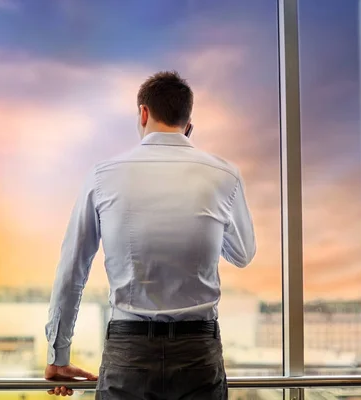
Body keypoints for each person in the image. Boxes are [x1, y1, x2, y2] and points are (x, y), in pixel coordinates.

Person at [44, 71, 256, 399]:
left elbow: (72, 269)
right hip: (197, 351)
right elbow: (243, 254)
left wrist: (58, 355)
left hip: (129, 350)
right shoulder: (224, 175)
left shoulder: (103, 175)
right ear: (188, 122)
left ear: (143, 113)